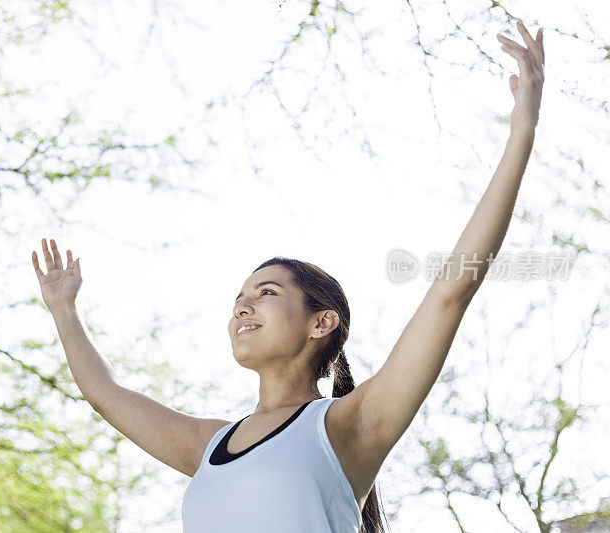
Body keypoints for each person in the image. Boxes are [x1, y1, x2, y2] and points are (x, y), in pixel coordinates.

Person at [31, 19, 544, 533]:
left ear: (321, 322)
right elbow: (105, 395)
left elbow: (450, 293)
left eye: (267, 292)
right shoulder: (206, 446)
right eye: (239, 297)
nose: (242, 306)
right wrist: (63, 309)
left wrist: (522, 131)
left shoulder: (350, 426)